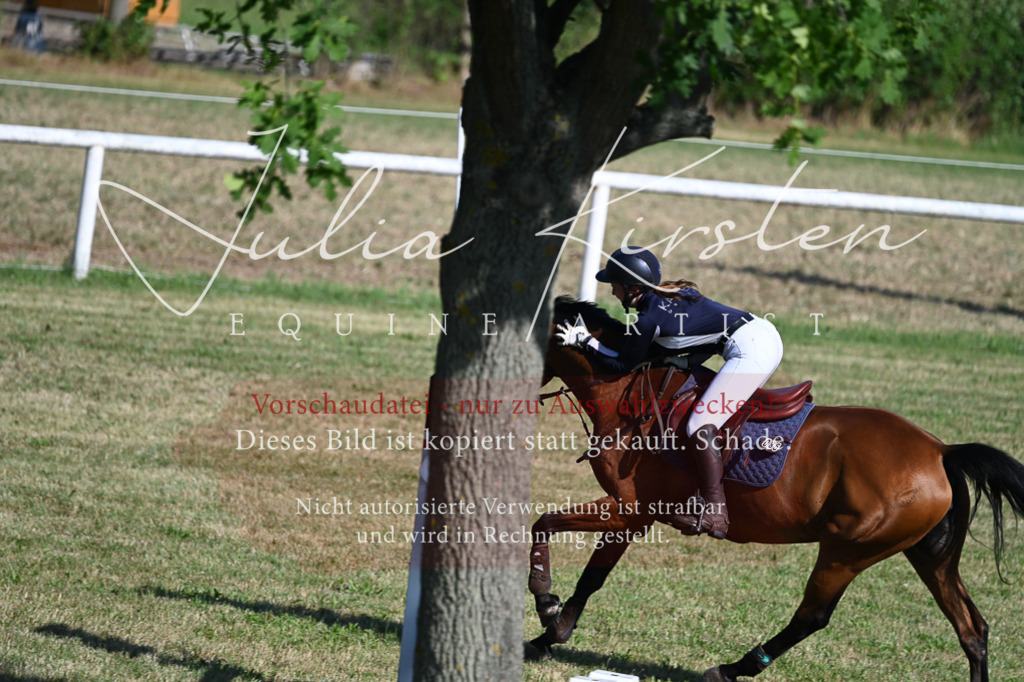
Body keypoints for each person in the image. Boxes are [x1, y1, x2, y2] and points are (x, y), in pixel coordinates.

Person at [556, 247, 784, 538]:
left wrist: (584, 341)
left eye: (614, 286)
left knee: (700, 423)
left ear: (632, 287)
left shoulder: (649, 318)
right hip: (756, 334)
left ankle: (715, 511)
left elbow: (622, 364)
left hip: (752, 349)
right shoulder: (661, 298)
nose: (612, 292)